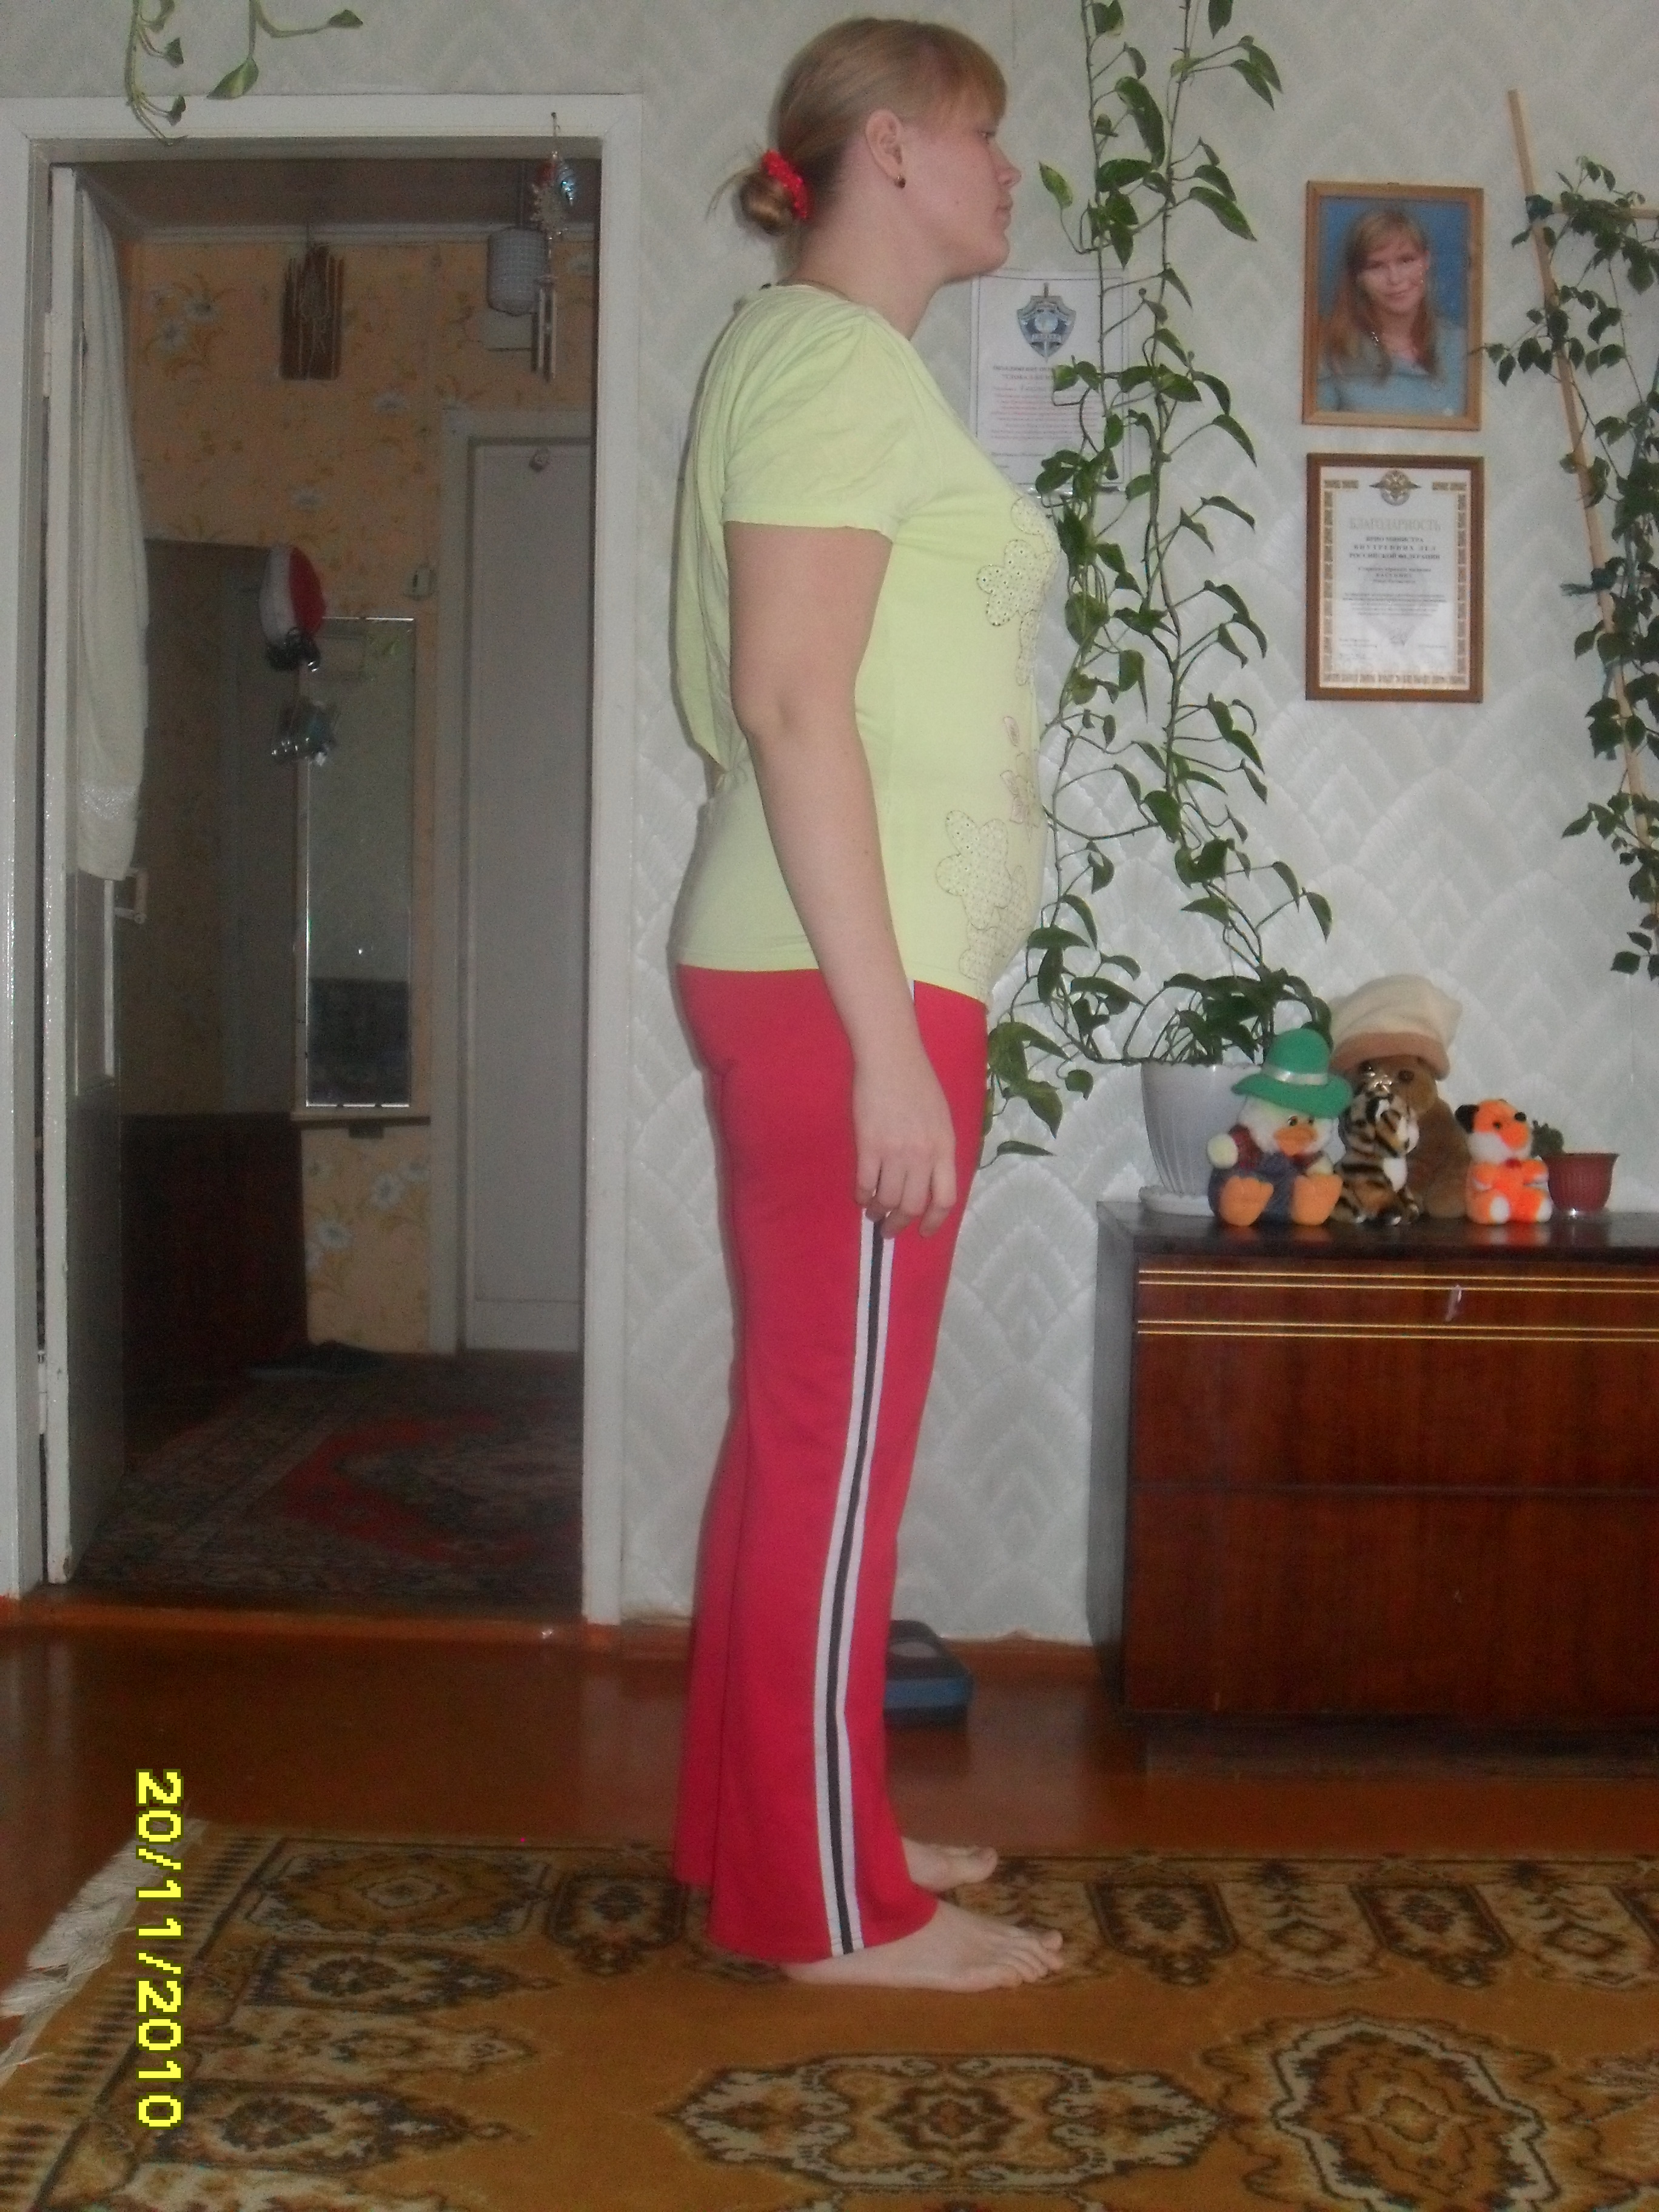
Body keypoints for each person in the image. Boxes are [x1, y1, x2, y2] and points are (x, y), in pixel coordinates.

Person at [669, 16, 1065, 1991]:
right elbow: (785, 696)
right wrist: (889, 1046)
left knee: (797, 1441)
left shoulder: (829, 362)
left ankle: (764, 1826)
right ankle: (825, 1903)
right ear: (894, 150)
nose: (1013, 173)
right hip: (849, 986)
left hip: (833, 972)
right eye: (989, 136)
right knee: (835, 1465)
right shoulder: (830, 360)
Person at [1315, 204, 1467, 417]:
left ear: (1426, 261)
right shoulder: (1331, 357)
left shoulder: (1464, 347)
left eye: (1406, 260)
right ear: (1358, 278)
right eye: (1376, 266)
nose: (1394, 279)